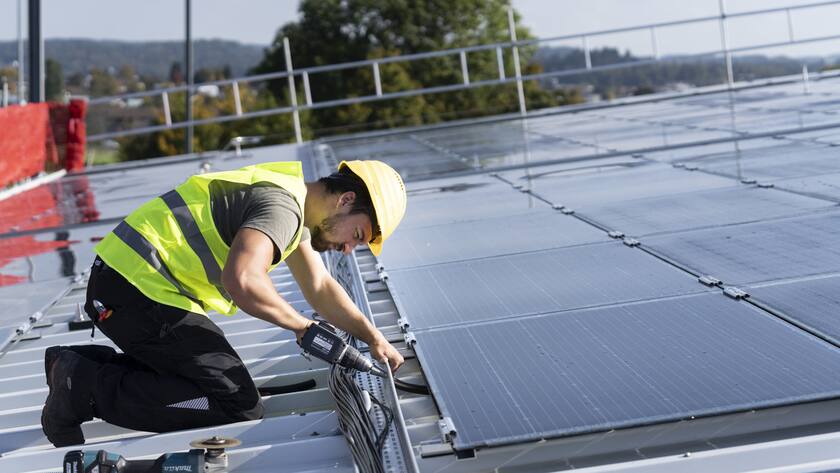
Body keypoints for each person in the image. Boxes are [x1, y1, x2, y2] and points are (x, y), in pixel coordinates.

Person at [41, 160, 407, 447]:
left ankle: (77, 366)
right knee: (237, 403)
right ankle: (81, 388)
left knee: (209, 380)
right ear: (345, 200)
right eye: (357, 234)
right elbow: (243, 279)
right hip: (139, 288)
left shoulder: (288, 196)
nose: (348, 248)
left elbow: (320, 286)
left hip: (131, 283)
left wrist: (373, 337)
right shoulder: (282, 209)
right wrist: (302, 327)